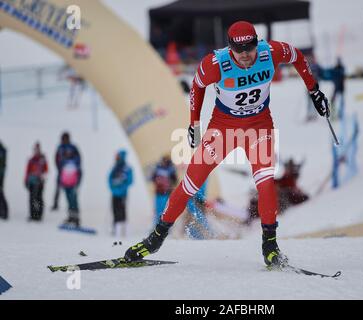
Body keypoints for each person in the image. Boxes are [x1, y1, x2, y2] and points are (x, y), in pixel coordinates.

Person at [124, 21, 329, 268]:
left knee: (265, 184)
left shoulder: (270, 52)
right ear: (229, 48)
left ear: (257, 43)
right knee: (190, 184)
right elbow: (197, 87)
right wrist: (194, 124)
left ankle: (270, 246)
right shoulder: (215, 64)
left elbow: (297, 56)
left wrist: (314, 91)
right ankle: (155, 238)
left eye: (249, 49)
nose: (244, 56)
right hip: (224, 129)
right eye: (238, 50)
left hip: (258, 127)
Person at [52, 132, 81, 211]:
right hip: (62, 173)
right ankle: (56, 204)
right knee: (59, 189)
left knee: (72, 194)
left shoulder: (73, 147)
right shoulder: (60, 148)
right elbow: (56, 159)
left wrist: (73, 167)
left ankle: (74, 213)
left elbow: (78, 159)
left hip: (72, 175)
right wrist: (60, 169)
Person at [108, 150, 133, 237]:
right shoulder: (115, 168)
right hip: (115, 194)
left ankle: (123, 230)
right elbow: (109, 179)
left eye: (118, 157)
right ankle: (116, 228)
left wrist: (121, 187)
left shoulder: (127, 168)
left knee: (122, 211)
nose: (116, 158)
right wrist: (113, 187)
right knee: (115, 210)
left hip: (123, 194)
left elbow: (130, 181)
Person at [151, 155, 178, 227]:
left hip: (166, 193)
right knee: (158, 210)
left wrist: (168, 184)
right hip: (159, 192)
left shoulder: (171, 169)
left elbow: (175, 180)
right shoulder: (158, 168)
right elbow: (153, 178)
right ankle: (157, 225)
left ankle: (165, 226)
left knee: (165, 210)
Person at [24, 143, 48, 221]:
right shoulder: (31, 160)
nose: (36, 151)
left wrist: (42, 178)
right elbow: (27, 171)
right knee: (32, 199)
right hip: (31, 182)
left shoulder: (42, 159)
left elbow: (46, 170)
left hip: (39, 183)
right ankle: (33, 215)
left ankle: (39, 215)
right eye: (35, 149)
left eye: (37, 149)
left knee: (38, 198)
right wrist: (26, 180)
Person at [59, 147, 82, 226]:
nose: (68, 154)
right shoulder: (64, 162)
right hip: (66, 185)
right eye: (67, 152)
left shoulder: (75, 162)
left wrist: (77, 183)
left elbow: (79, 174)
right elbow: (62, 173)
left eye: (70, 152)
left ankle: (76, 218)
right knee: (69, 202)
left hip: (73, 185)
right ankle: (70, 217)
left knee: (74, 202)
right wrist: (61, 182)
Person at [0, 141, 8, 220]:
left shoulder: (2, 150)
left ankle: (4, 212)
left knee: (1, 193)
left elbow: (2, 166)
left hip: (1, 176)